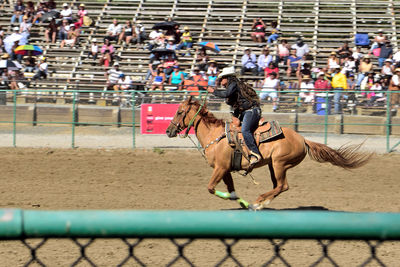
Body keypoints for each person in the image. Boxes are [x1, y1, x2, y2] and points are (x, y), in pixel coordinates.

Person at [207, 66, 262, 168]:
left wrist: (213, 91)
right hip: (247, 112)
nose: (220, 81)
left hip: (251, 111)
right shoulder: (235, 88)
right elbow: (237, 105)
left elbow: (227, 94)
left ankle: (255, 154)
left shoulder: (234, 84)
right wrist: (235, 116)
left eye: (222, 78)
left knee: (245, 131)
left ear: (227, 78)